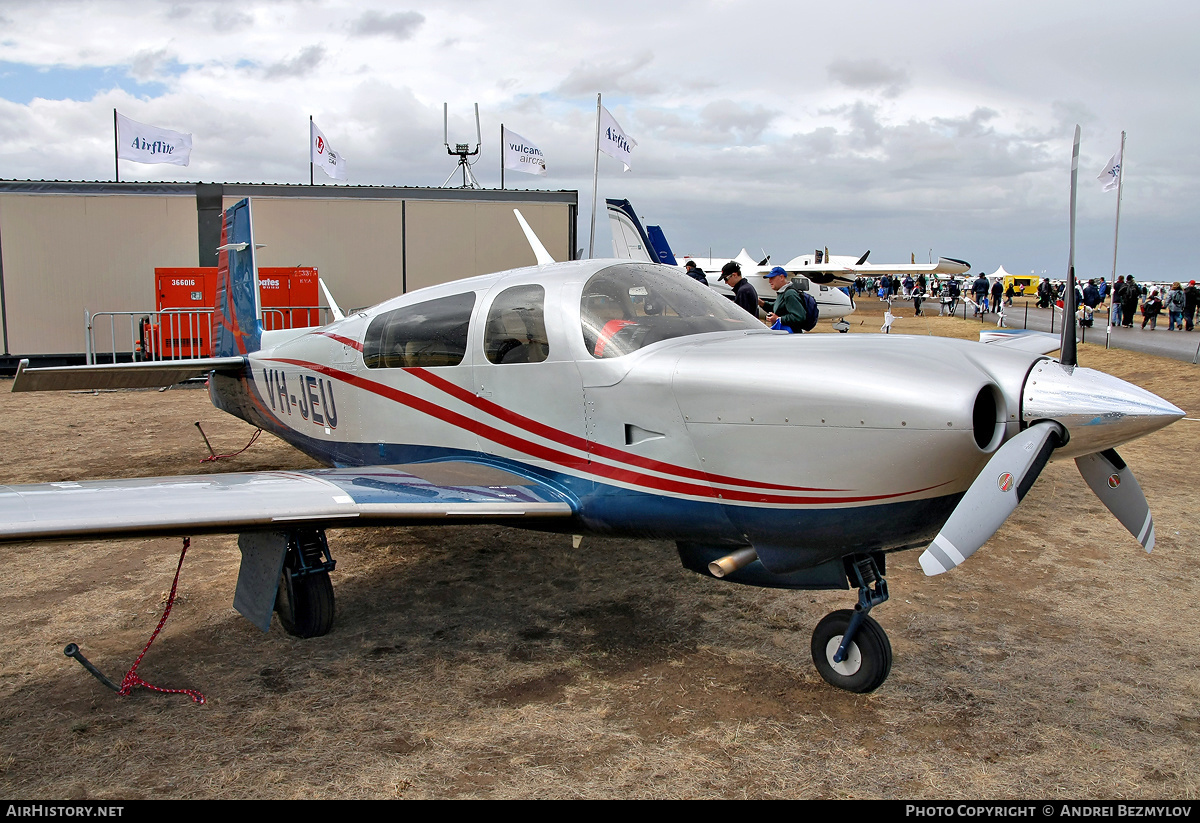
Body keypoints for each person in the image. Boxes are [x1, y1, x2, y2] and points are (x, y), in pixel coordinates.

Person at [764, 266, 807, 332]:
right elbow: (776, 307)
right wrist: (761, 303)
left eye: (772, 278)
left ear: (781, 277)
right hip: (786, 335)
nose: (769, 281)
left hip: (791, 335)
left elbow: (799, 317)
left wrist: (778, 319)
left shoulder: (789, 293)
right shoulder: (782, 293)